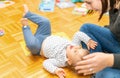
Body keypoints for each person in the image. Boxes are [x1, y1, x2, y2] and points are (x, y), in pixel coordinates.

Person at [21, 4, 97, 78]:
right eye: (79, 48)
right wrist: (88, 40)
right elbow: (78, 34)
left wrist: (55, 70)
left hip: (38, 47)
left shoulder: (61, 61)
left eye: (75, 51)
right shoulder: (73, 45)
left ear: (69, 61)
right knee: (46, 22)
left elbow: (46, 63)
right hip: (45, 35)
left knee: (31, 44)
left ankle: (25, 27)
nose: (76, 47)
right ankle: (28, 14)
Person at [75, 0, 120, 78]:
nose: (87, 7)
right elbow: (115, 29)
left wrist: (109, 60)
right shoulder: (113, 4)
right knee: (85, 30)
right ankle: (96, 67)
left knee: (108, 75)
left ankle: (100, 69)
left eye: (89, 2)